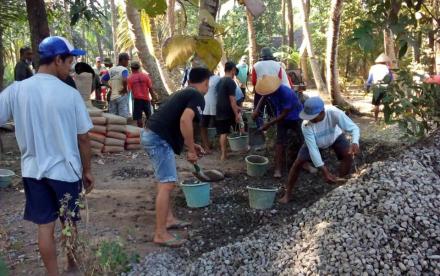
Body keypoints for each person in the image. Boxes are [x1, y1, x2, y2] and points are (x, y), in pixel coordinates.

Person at [0, 36, 94, 275]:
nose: (70, 67)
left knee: (45, 226)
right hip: (65, 171)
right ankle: (72, 267)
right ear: (57, 60)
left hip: (33, 171)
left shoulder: (16, 90)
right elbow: (84, 138)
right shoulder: (69, 94)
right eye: (69, 61)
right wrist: (87, 170)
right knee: (69, 222)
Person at [141, 67, 211, 247]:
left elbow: (177, 121)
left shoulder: (184, 92)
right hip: (158, 138)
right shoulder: (197, 96)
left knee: (163, 181)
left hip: (152, 134)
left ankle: (169, 219)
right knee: (167, 184)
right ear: (206, 82)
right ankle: (160, 234)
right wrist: (191, 151)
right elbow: (185, 121)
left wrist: (191, 145)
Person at [279, 97, 360, 204]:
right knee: (297, 164)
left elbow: (354, 128)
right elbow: (313, 150)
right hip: (315, 142)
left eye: (313, 117)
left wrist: (355, 142)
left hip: (335, 137)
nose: (310, 119)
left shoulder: (334, 113)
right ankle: (287, 193)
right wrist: (324, 171)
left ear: (322, 112)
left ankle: (341, 185)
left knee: (347, 155)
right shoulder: (306, 125)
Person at [252, 78, 307, 178]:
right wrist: (256, 109)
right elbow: (263, 97)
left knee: (303, 140)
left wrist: (268, 124)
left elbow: (284, 114)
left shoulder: (287, 93)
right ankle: (278, 169)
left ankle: (305, 163)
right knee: (279, 142)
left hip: (296, 116)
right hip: (281, 115)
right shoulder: (269, 90)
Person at [216, 61, 242, 161]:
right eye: (235, 71)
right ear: (233, 70)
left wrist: (237, 108)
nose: (235, 74)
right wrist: (236, 113)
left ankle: (224, 153)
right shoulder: (231, 82)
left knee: (223, 132)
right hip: (228, 109)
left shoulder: (220, 81)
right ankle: (239, 148)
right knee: (239, 124)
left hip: (219, 108)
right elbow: (232, 100)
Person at [128, 61, 157, 127]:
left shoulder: (130, 78)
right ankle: (148, 129)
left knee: (139, 118)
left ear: (131, 68)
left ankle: (140, 131)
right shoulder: (145, 76)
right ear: (139, 68)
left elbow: (129, 90)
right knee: (149, 116)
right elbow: (150, 88)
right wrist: (153, 98)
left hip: (137, 100)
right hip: (146, 99)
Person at [366, 53, 393, 122]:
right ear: (385, 61)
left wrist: (368, 87)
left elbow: (370, 79)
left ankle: (376, 119)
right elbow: (391, 78)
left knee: (376, 104)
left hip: (376, 86)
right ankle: (387, 119)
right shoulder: (387, 68)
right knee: (386, 104)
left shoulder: (373, 67)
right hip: (385, 86)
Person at [102, 53, 130, 118]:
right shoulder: (124, 69)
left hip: (113, 97)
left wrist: (110, 86)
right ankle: (121, 128)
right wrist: (125, 89)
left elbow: (103, 80)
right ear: (122, 60)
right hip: (121, 96)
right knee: (123, 117)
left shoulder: (111, 70)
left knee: (113, 118)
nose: (127, 62)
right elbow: (125, 80)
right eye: (127, 60)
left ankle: (114, 128)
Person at [200, 74, 221, 153]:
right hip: (204, 105)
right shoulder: (201, 78)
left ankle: (220, 146)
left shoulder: (218, 78)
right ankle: (206, 146)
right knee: (203, 126)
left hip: (215, 106)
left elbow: (220, 91)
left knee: (219, 127)